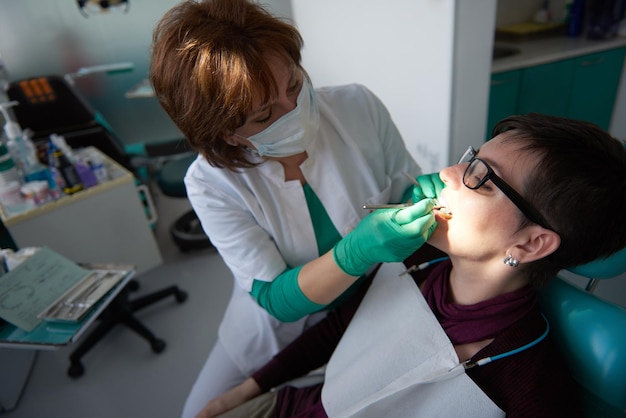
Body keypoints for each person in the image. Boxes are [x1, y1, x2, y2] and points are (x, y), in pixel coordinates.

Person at [197, 113, 626, 417]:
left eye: (480, 176)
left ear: (531, 243)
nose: (447, 172)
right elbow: (339, 328)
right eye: (470, 157)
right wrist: (246, 391)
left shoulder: (529, 386)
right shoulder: (419, 262)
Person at [149, 1, 440, 416]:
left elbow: (406, 186)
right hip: (278, 333)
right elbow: (276, 297)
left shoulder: (357, 107)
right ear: (227, 135)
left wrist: (419, 200)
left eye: (294, 85)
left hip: (377, 304)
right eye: (264, 114)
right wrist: (357, 251)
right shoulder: (210, 183)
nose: (295, 111)